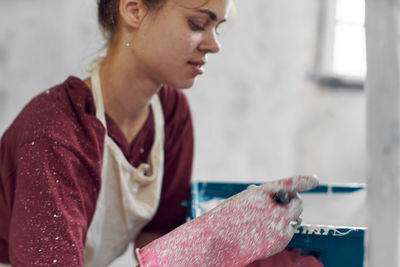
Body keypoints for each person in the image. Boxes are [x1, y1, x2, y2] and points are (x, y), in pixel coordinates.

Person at [0, 0, 320, 266]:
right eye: (197, 24)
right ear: (134, 9)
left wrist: (227, 245)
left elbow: (155, 245)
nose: (214, 45)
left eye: (217, 28)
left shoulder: (170, 113)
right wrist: (206, 241)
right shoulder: (55, 135)